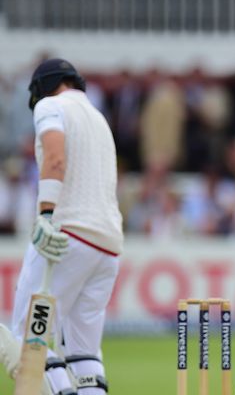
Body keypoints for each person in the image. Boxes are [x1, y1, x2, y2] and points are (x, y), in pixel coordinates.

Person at [0, 58, 122, 394]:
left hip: (66, 236)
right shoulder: (99, 118)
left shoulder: (50, 105)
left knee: (29, 336)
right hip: (108, 247)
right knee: (82, 351)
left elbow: (55, 157)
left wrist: (47, 214)